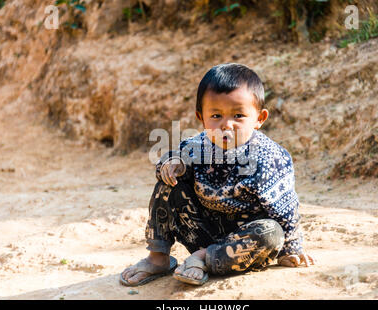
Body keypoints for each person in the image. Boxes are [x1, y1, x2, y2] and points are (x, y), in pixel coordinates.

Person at [120, 63, 315, 287]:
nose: (227, 125)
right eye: (216, 115)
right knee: (169, 182)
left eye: (239, 115)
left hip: (243, 242)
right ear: (201, 117)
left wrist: (291, 249)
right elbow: (172, 159)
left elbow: (286, 209)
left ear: (260, 118)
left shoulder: (269, 157)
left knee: (272, 234)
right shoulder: (196, 146)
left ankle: (202, 259)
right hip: (201, 231)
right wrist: (172, 164)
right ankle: (159, 258)